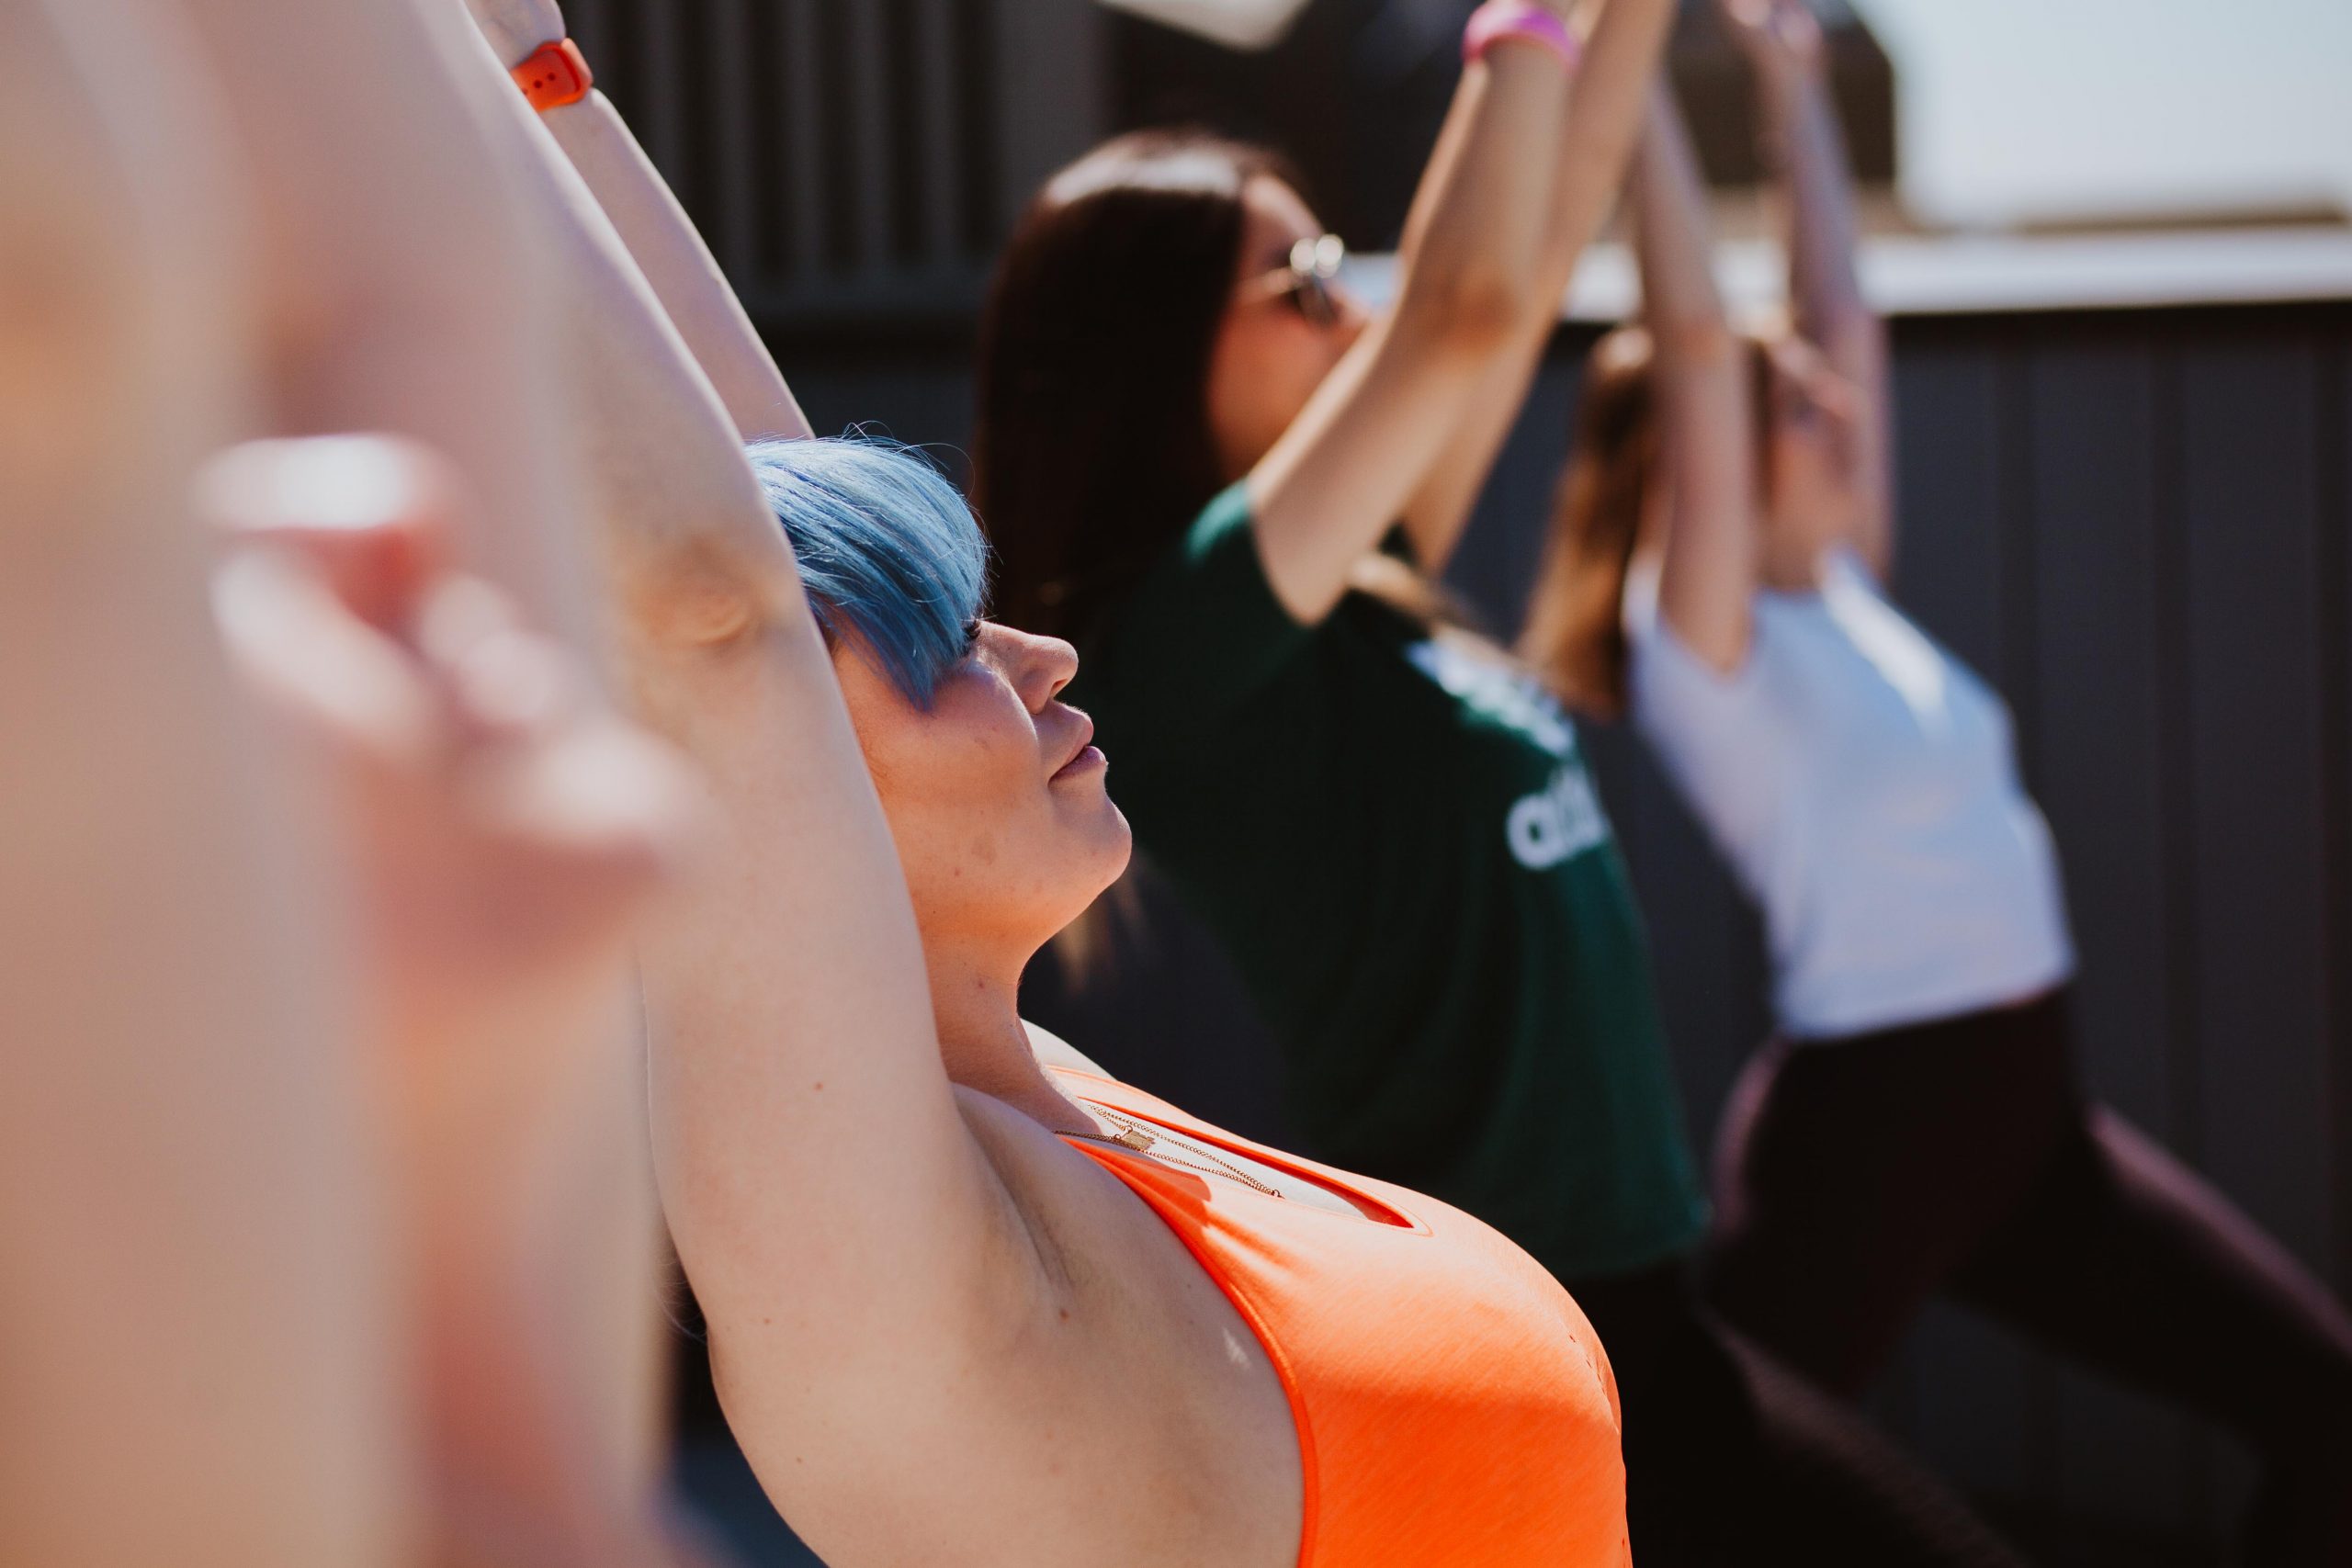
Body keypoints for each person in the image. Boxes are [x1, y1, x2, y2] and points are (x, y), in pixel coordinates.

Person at [444, 2, 1673, 1562]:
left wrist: (533, 75)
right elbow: (725, 604)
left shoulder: (1049, 1100)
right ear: (757, 767)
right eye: (947, 644)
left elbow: (785, 509)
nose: (1044, 657)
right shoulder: (900, 1245)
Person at [969, 0, 2034, 1561]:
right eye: (1304, 280)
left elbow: (1520, 270)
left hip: (1624, 1298)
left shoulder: (1358, 575)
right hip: (1517, 1309)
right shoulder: (1186, 642)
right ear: (1157, 350)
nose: (1354, 307)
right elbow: (1464, 309)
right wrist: (1521, 19)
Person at [1534, 2, 2352, 1562]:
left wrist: (1792, 89)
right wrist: (1629, 76)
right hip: (1874, 1134)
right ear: (1695, 467)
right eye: (1791, 408)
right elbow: (1708, 348)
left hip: (2029, 1119)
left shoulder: (1842, 590)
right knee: (1688, 1502)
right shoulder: (1702, 639)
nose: (1831, 410)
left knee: (2328, 1410)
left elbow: (1848, 319)